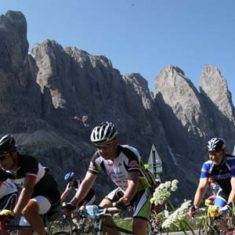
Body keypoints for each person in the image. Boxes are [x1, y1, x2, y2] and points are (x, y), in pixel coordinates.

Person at [69, 121, 154, 235]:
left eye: (106, 146)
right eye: (98, 146)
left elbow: (133, 182)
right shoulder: (97, 158)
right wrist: (73, 202)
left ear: (115, 142)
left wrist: (125, 200)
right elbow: (87, 181)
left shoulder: (129, 153)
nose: (102, 151)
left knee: (138, 224)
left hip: (141, 189)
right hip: (123, 189)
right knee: (99, 214)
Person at [0, 134, 60, 235]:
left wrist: (13, 213)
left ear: (13, 153)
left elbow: (27, 190)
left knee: (27, 209)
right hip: (30, 202)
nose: (0, 162)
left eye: (2, 157)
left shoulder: (28, 162)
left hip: (49, 195)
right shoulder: (4, 170)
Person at [189, 137, 235, 216]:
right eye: (211, 153)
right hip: (225, 191)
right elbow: (202, 188)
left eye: (216, 153)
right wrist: (195, 206)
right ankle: (226, 229)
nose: (213, 157)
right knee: (216, 215)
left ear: (223, 152)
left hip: (233, 190)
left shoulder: (232, 162)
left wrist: (229, 206)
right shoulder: (207, 166)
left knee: (229, 211)